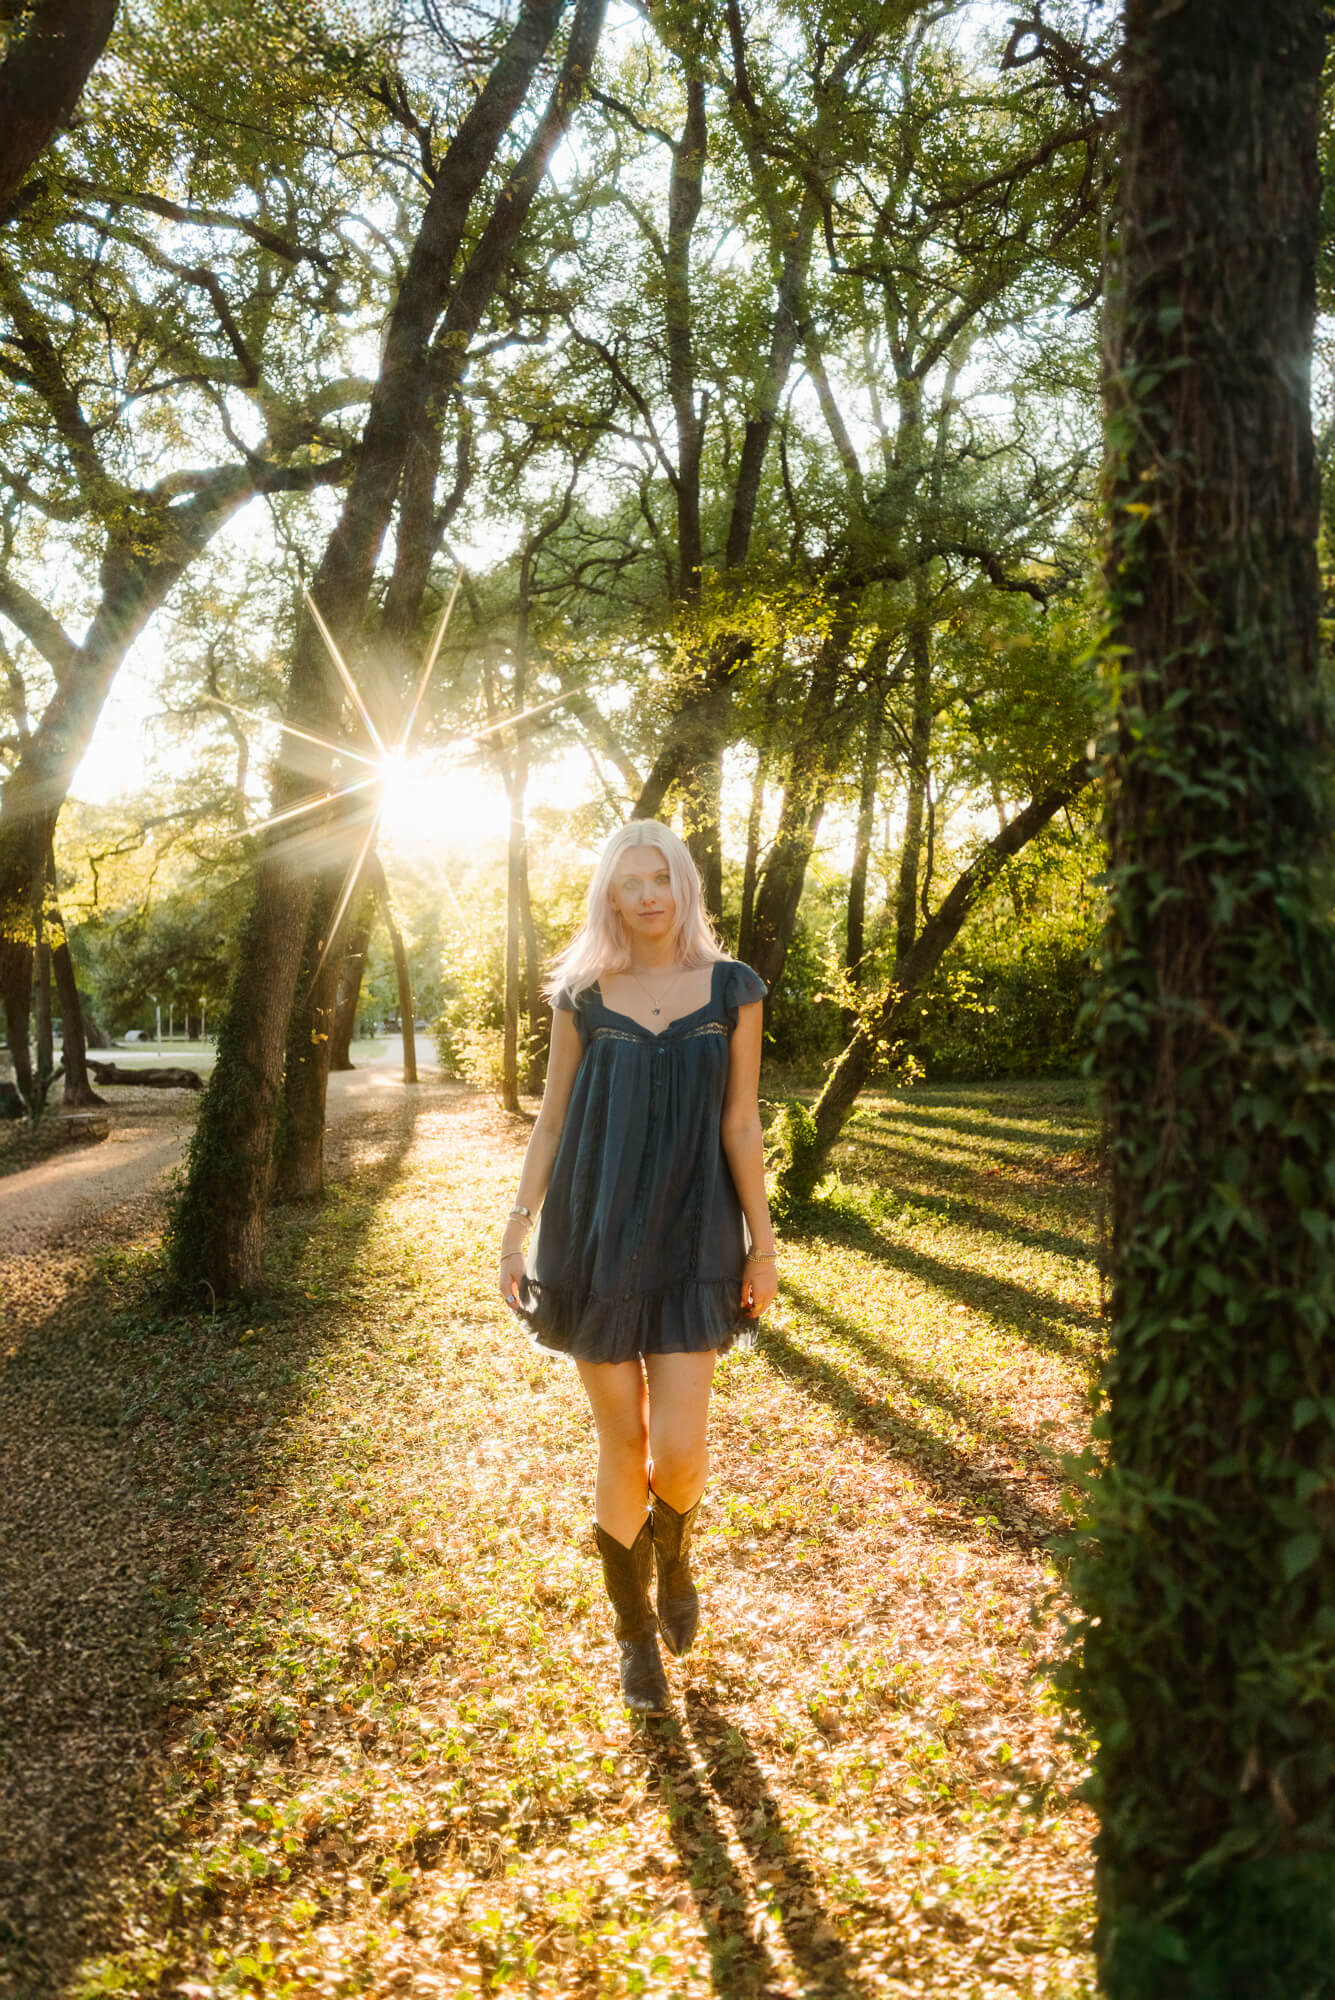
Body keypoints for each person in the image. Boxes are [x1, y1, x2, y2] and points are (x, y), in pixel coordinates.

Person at [498, 821, 778, 1714]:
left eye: (661, 878)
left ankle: (675, 1550)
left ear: (683, 885)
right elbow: (550, 1120)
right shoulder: (582, 993)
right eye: (631, 883)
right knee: (622, 1442)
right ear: (609, 896)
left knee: (681, 1451)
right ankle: (632, 1638)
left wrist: (762, 1246)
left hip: (696, 1235)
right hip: (591, 1237)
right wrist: (516, 1227)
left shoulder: (733, 989)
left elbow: (739, 1122)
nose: (650, 895)